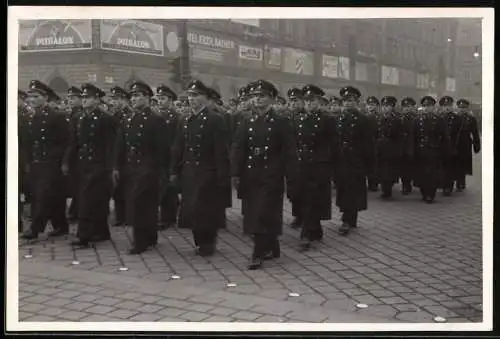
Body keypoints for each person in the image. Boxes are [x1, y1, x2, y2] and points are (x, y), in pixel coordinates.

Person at [231, 80, 298, 269]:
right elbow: (238, 148)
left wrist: (291, 178)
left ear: (272, 99)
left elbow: (289, 152)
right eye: (254, 96)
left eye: (262, 96)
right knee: (254, 213)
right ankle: (271, 246)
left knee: (263, 213)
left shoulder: (280, 122)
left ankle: (257, 253)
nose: (258, 99)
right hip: (251, 174)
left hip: (271, 174)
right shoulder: (246, 122)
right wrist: (235, 173)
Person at [170, 80, 230, 257]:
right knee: (192, 209)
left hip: (207, 171)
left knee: (207, 209)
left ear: (205, 98)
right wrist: (174, 170)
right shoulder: (185, 119)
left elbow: (220, 150)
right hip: (189, 171)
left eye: (196, 95)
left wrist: (222, 176)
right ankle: (199, 241)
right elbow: (178, 147)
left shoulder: (215, 119)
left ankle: (208, 242)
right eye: (190, 95)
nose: (192, 99)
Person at [112, 81, 170, 254]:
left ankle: (140, 241)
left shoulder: (155, 119)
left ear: (147, 98)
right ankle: (150, 236)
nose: (134, 99)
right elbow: (120, 145)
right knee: (140, 203)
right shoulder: (128, 118)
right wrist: (116, 166)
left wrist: (161, 172)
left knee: (141, 204)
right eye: (133, 96)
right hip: (130, 167)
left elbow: (162, 149)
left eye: (138, 95)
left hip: (148, 167)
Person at [62, 83, 118, 248]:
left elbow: (111, 146)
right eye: (83, 97)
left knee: (88, 201)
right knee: (94, 200)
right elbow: (73, 143)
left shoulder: (105, 119)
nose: (84, 100)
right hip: (82, 164)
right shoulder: (78, 118)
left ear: (97, 100)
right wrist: (66, 161)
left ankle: (83, 236)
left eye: (88, 98)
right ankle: (101, 232)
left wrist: (110, 168)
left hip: (98, 165)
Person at [20, 80, 70, 240]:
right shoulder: (30, 117)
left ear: (45, 97)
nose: (31, 100)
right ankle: (61, 226)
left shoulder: (56, 117)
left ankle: (35, 229)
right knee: (50, 196)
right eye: (30, 97)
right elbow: (27, 143)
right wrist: (27, 161)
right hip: (36, 162)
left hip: (51, 163)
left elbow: (65, 142)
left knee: (43, 196)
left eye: (35, 96)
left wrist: (62, 162)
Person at [291, 85, 338, 250]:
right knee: (305, 197)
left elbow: (334, 146)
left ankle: (305, 234)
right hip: (302, 163)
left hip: (320, 164)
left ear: (319, 101)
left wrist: (333, 171)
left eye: (313, 100)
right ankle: (315, 229)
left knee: (312, 197)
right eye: (307, 101)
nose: (310, 103)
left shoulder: (328, 120)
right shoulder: (297, 118)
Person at [335, 86, 374, 236]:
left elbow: (368, 144)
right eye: (345, 101)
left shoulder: (363, 120)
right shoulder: (338, 118)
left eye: (350, 101)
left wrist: (369, 165)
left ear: (356, 102)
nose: (347, 103)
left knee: (353, 189)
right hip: (341, 160)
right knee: (343, 189)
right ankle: (347, 217)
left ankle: (348, 219)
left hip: (356, 160)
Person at [411, 96, 450, 203]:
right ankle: (424, 192)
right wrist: (412, 151)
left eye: (429, 106)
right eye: (425, 106)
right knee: (422, 173)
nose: (427, 108)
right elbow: (413, 137)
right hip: (421, 151)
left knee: (432, 174)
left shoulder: (439, 120)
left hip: (434, 151)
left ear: (433, 107)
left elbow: (444, 136)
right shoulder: (417, 120)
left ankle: (430, 194)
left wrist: (444, 150)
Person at [155, 84, 180, 230]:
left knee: (169, 188)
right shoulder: (157, 115)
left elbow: (177, 140)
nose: (160, 101)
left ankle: (168, 217)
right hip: (159, 156)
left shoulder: (176, 117)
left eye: (163, 98)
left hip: (170, 156)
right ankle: (166, 215)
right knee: (162, 186)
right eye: (158, 98)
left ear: (170, 100)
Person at [108, 86, 133, 227]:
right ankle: (120, 215)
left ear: (124, 99)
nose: (114, 102)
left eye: (117, 99)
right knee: (117, 188)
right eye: (113, 99)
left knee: (127, 187)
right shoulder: (114, 115)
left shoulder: (129, 114)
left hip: (128, 155)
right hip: (116, 153)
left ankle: (127, 215)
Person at [375, 96, 404, 199]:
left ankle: (388, 189)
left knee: (390, 171)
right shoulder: (379, 119)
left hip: (391, 149)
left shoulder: (396, 120)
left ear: (392, 107)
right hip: (380, 149)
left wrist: (399, 150)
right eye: (384, 106)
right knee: (382, 170)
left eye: (388, 106)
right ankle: (385, 189)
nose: (385, 108)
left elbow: (400, 137)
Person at [286, 87, 306, 230]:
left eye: (296, 101)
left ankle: (304, 217)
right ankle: (297, 215)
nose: (293, 104)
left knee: (304, 190)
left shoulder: (308, 117)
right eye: (291, 101)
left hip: (306, 159)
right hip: (291, 160)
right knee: (293, 190)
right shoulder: (287, 118)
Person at [65, 86, 84, 223]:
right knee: (76, 184)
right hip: (72, 154)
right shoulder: (71, 114)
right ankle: (75, 210)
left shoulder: (81, 115)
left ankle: (77, 211)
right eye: (69, 98)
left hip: (80, 155)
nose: (70, 101)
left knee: (80, 185)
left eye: (73, 98)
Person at [455, 99, 481, 191]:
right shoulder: (454, 117)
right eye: (460, 108)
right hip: (455, 143)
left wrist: (476, 145)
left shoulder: (471, 119)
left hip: (466, 143)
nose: (462, 109)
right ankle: (455, 182)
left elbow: (475, 133)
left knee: (463, 163)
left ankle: (461, 182)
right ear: (458, 108)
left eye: (464, 108)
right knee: (455, 163)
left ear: (467, 108)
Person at [439, 96, 462, 196]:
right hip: (440, 147)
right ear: (441, 107)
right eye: (444, 106)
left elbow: (458, 133)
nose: (447, 108)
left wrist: (455, 147)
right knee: (442, 168)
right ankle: (443, 185)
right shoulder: (438, 117)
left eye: (448, 105)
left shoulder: (457, 118)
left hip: (452, 146)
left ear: (452, 106)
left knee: (450, 167)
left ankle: (448, 187)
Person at [400, 97, 417, 195]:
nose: (406, 108)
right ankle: (405, 185)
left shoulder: (416, 118)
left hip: (413, 146)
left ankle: (410, 183)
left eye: (409, 106)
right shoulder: (400, 118)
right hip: (402, 147)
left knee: (411, 167)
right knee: (403, 167)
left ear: (413, 107)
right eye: (405, 106)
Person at [364, 96, 380, 192]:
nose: (370, 107)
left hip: (375, 142)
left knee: (375, 164)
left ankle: (373, 183)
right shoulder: (363, 116)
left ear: (377, 106)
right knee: (367, 163)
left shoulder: (379, 117)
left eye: (373, 105)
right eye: (369, 105)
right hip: (366, 142)